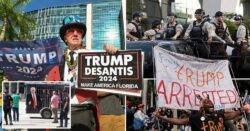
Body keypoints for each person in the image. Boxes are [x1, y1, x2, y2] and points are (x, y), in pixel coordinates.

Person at [59, 15, 117, 131]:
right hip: (62, 112)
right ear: (65, 38)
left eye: (79, 31)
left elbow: (111, 84)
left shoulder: (95, 57)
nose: (75, 33)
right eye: (70, 31)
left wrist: (114, 56)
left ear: (82, 36)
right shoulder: (57, 60)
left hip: (83, 112)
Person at [155, 96, 246, 131]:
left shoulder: (219, 115)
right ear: (202, 107)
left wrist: (240, 111)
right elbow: (178, 121)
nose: (210, 103)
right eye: (207, 102)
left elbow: (230, 115)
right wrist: (162, 117)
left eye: (210, 102)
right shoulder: (196, 118)